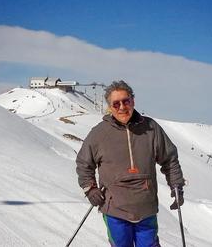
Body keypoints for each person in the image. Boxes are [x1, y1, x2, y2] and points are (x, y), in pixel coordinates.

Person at [76, 80, 185, 247]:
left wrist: (176, 185)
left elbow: (169, 158)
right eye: (116, 103)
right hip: (115, 210)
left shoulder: (151, 128)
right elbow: (84, 163)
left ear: (133, 101)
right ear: (110, 107)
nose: (122, 107)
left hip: (146, 207)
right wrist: (90, 188)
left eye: (126, 101)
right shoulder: (99, 134)